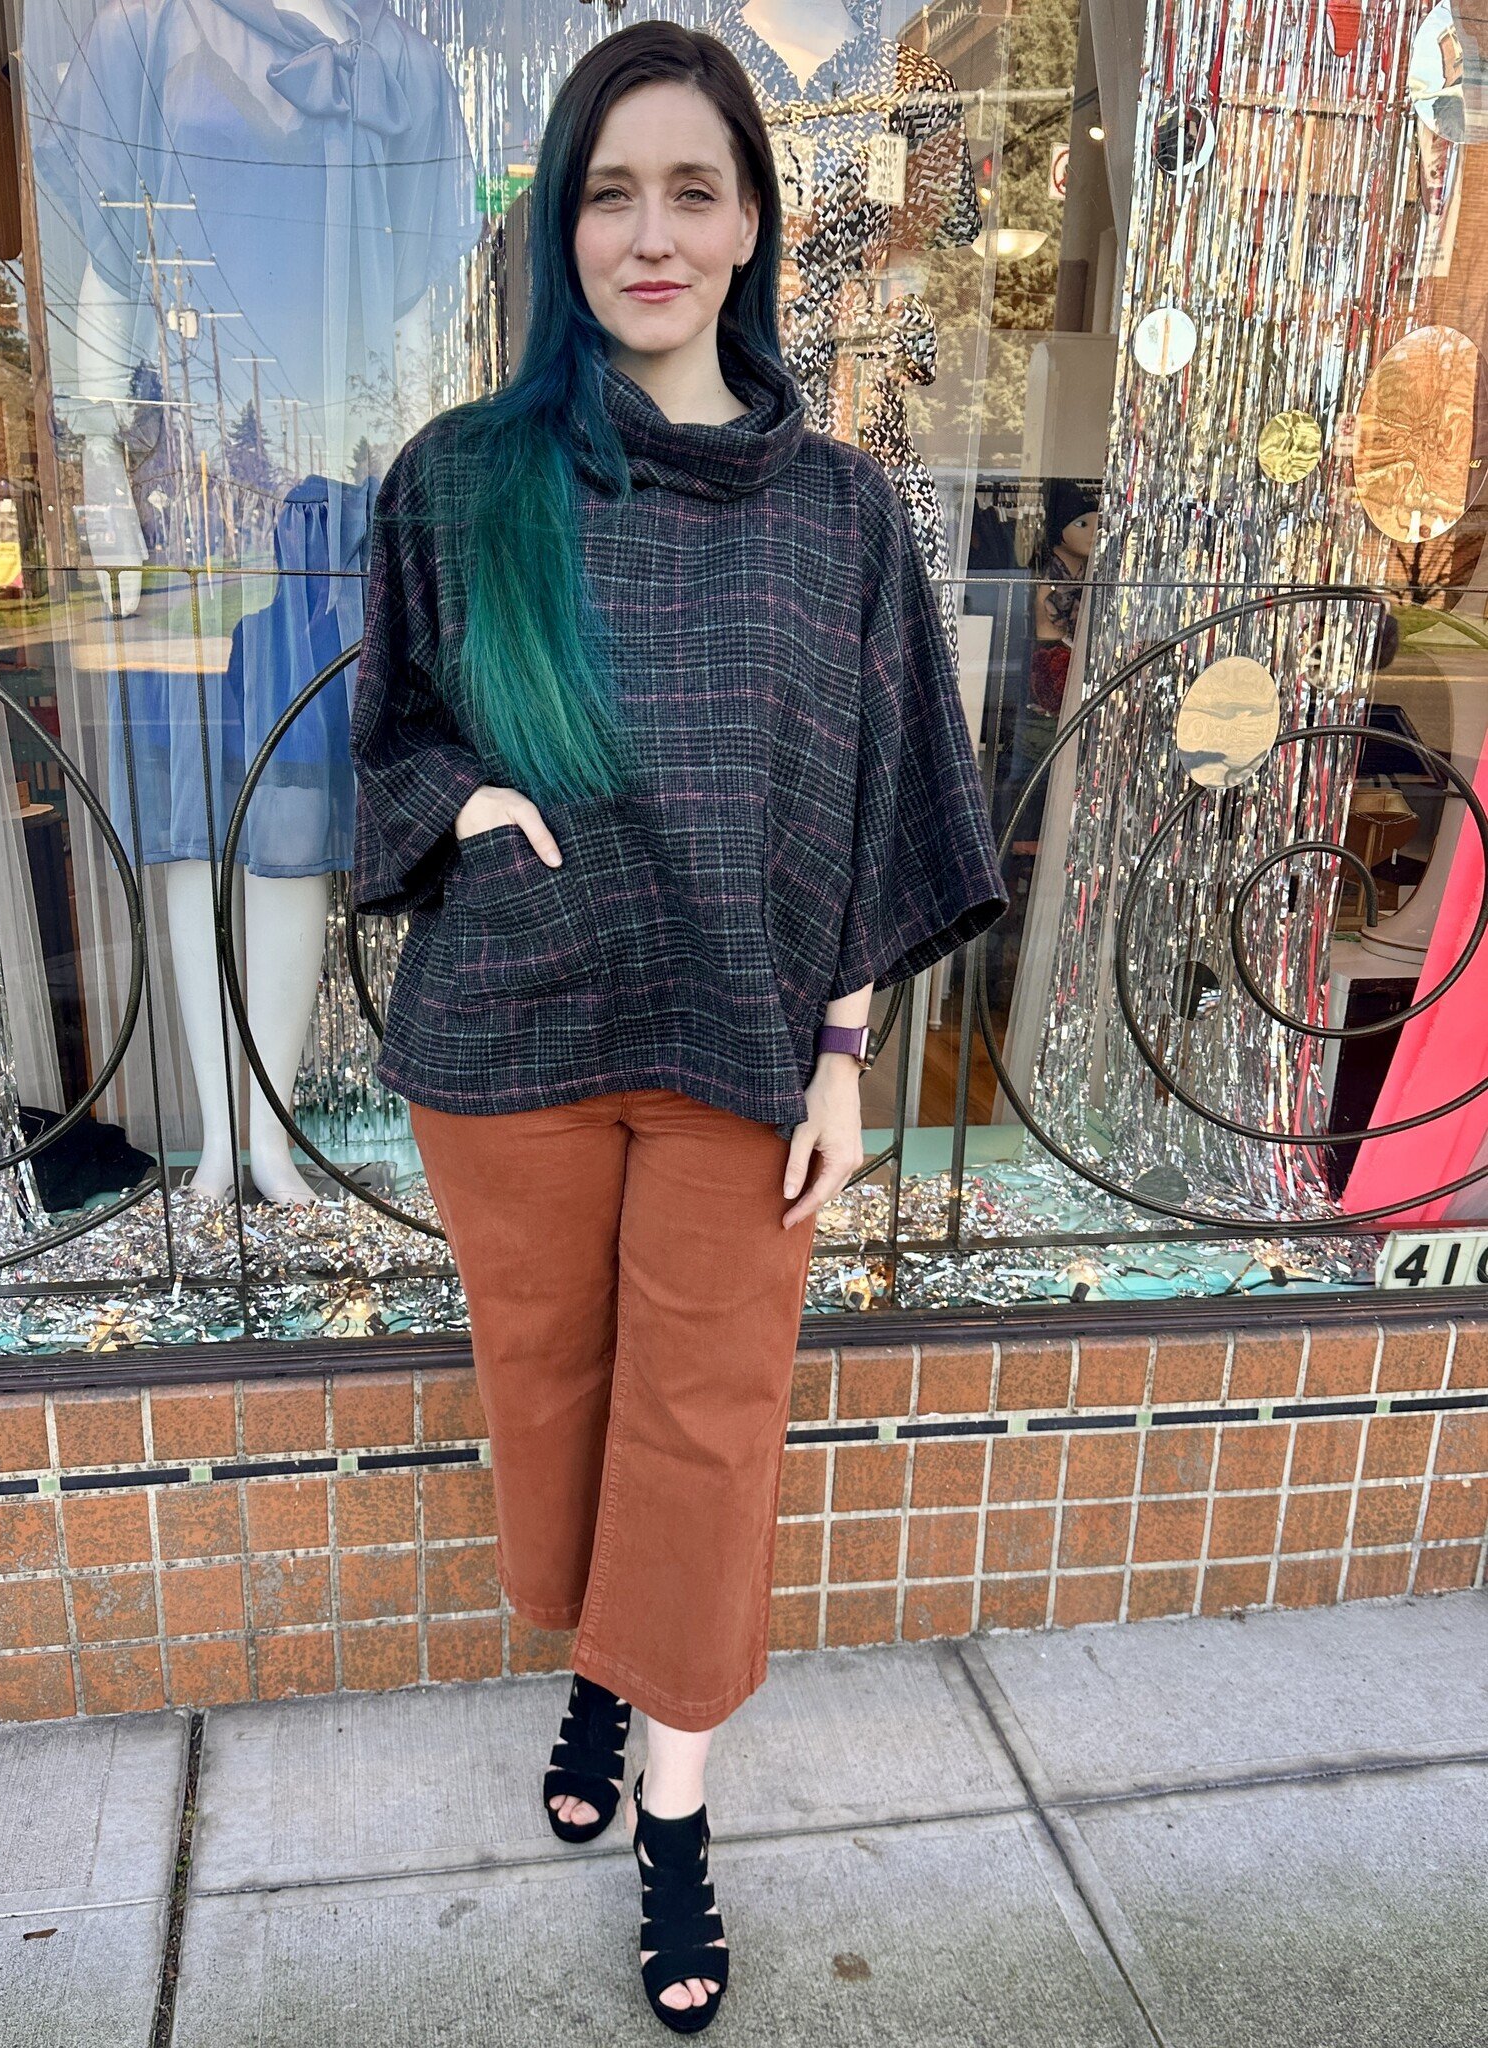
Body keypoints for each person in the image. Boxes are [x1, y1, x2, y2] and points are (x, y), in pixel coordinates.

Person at [350, 20, 1004, 2032]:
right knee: (557, 1397)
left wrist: (845, 1059)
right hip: (517, 1034)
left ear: (748, 227)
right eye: (609, 191)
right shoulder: (464, 481)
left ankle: (675, 1815)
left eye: (690, 191)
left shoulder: (839, 515)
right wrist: (468, 804)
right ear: (563, 225)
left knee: (705, 1429)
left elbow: (878, 801)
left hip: (740, 1047)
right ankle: (598, 1665)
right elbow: (393, 734)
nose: (649, 231)